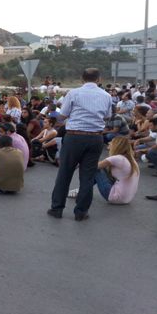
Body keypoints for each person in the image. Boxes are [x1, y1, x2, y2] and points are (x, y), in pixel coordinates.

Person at [48, 68, 113, 221]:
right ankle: (81, 212)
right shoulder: (107, 95)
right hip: (96, 138)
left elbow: (62, 116)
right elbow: (107, 117)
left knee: (65, 173)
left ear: (82, 79)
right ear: (99, 79)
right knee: (87, 176)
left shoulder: (73, 93)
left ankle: (57, 209)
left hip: (74, 137)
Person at [75, 136, 139, 204]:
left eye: (111, 142)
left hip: (116, 197)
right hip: (127, 198)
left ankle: (82, 191)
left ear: (116, 145)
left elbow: (92, 166)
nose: (109, 143)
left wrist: (75, 164)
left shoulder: (117, 158)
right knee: (102, 169)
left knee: (97, 170)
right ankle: (82, 191)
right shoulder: (131, 160)